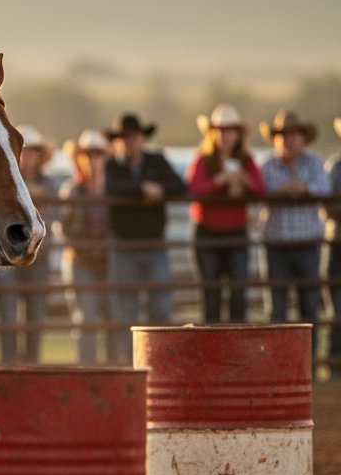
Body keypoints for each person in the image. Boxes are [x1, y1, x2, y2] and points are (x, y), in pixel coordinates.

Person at [104, 112, 187, 364]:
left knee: (160, 307)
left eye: (134, 137)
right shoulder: (112, 167)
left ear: (142, 138)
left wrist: (160, 189)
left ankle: (158, 360)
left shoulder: (157, 161)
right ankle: (129, 362)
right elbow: (112, 189)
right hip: (124, 245)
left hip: (152, 244)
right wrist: (144, 189)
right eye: (125, 138)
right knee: (125, 309)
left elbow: (180, 187)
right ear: (118, 142)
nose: (130, 142)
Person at [187, 104, 265, 323]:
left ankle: (234, 347)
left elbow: (260, 190)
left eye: (229, 130)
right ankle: (212, 346)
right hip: (208, 233)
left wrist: (244, 181)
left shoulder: (246, 161)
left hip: (236, 233)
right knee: (211, 295)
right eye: (220, 130)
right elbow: (194, 189)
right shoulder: (203, 160)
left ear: (237, 134)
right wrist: (219, 181)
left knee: (238, 294)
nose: (224, 135)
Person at [258, 109, 328, 353]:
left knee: (308, 306)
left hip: (307, 243)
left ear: (302, 138)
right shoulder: (267, 164)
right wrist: (291, 189)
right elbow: (261, 189)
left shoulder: (314, 162)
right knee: (276, 308)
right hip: (276, 244)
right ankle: (277, 362)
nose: (288, 139)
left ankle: (308, 361)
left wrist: (302, 188)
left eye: (293, 134)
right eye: (283, 135)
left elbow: (323, 187)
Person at [0, 125, 56, 363]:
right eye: (25, 151)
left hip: (37, 253)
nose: (28, 157)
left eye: (33, 152)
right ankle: (10, 361)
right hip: (11, 252)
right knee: (8, 313)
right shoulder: (6, 180)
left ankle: (32, 360)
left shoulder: (46, 183)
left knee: (35, 313)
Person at [57, 129, 113, 364]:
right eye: (88, 154)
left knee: (112, 316)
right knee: (86, 317)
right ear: (79, 158)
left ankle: (114, 366)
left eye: (97, 154)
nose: (93, 160)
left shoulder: (110, 189)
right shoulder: (72, 189)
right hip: (81, 260)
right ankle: (87, 366)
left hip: (106, 260)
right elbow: (66, 229)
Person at [326, 118, 341, 374]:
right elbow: (326, 206)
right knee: (336, 307)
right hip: (338, 241)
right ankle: (335, 365)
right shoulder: (336, 166)